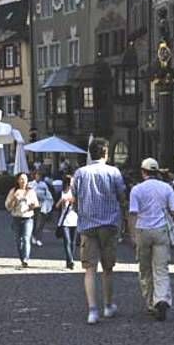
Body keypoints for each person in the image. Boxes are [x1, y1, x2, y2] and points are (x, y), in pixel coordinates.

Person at [71, 137, 127, 324]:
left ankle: (92, 310)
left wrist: (81, 212)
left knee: (89, 269)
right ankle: (108, 306)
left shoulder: (80, 173)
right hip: (109, 224)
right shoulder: (114, 172)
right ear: (105, 153)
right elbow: (121, 195)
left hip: (87, 226)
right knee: (108, 269)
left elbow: (75, 199)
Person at [128, 158, 174, 321]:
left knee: (145, 270)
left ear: (143, 172)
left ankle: (151, 302)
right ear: (156, 172)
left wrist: (132, 235)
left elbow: (132, 214)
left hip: (143, 230)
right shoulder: (166, 188)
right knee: (161, 268)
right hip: (161, 230)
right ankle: (162, 299)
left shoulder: (136, 189)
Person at [4, 173, 39, 268]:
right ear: (18, 180)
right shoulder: (13, 191)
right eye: (21, 179)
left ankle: (25, 259)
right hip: (16, 217)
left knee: (26, 238)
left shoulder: (31, 191)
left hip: (28, 218)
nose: (23, 181)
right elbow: (7, 206)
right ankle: (21, 257)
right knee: (18, 240)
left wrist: (30, 204)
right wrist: (14, 199)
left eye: (25, 179)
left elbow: (36, 204)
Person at [55, 175, 78, 269]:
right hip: (64, 221)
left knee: (73, 242)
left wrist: (74, 201)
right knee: (67, 241)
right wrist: (62, 201)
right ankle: (70, 260)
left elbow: (80, 205)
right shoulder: (61, 193)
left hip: (75, 219)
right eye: (71, 182)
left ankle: (70, 260)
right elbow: (56, 206)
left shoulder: (76, 193)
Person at [31, 170, 54, 246]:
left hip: (42, 205)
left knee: (40, 223)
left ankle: (38, 238)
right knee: (34, 222)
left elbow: (48, 195)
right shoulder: (31, 184)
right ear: (35, 176)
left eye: (40, 176)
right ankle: (33, 236)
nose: (38, 177)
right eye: (37, 175)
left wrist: (47, 201)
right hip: (33, 206)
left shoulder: (44, 185)